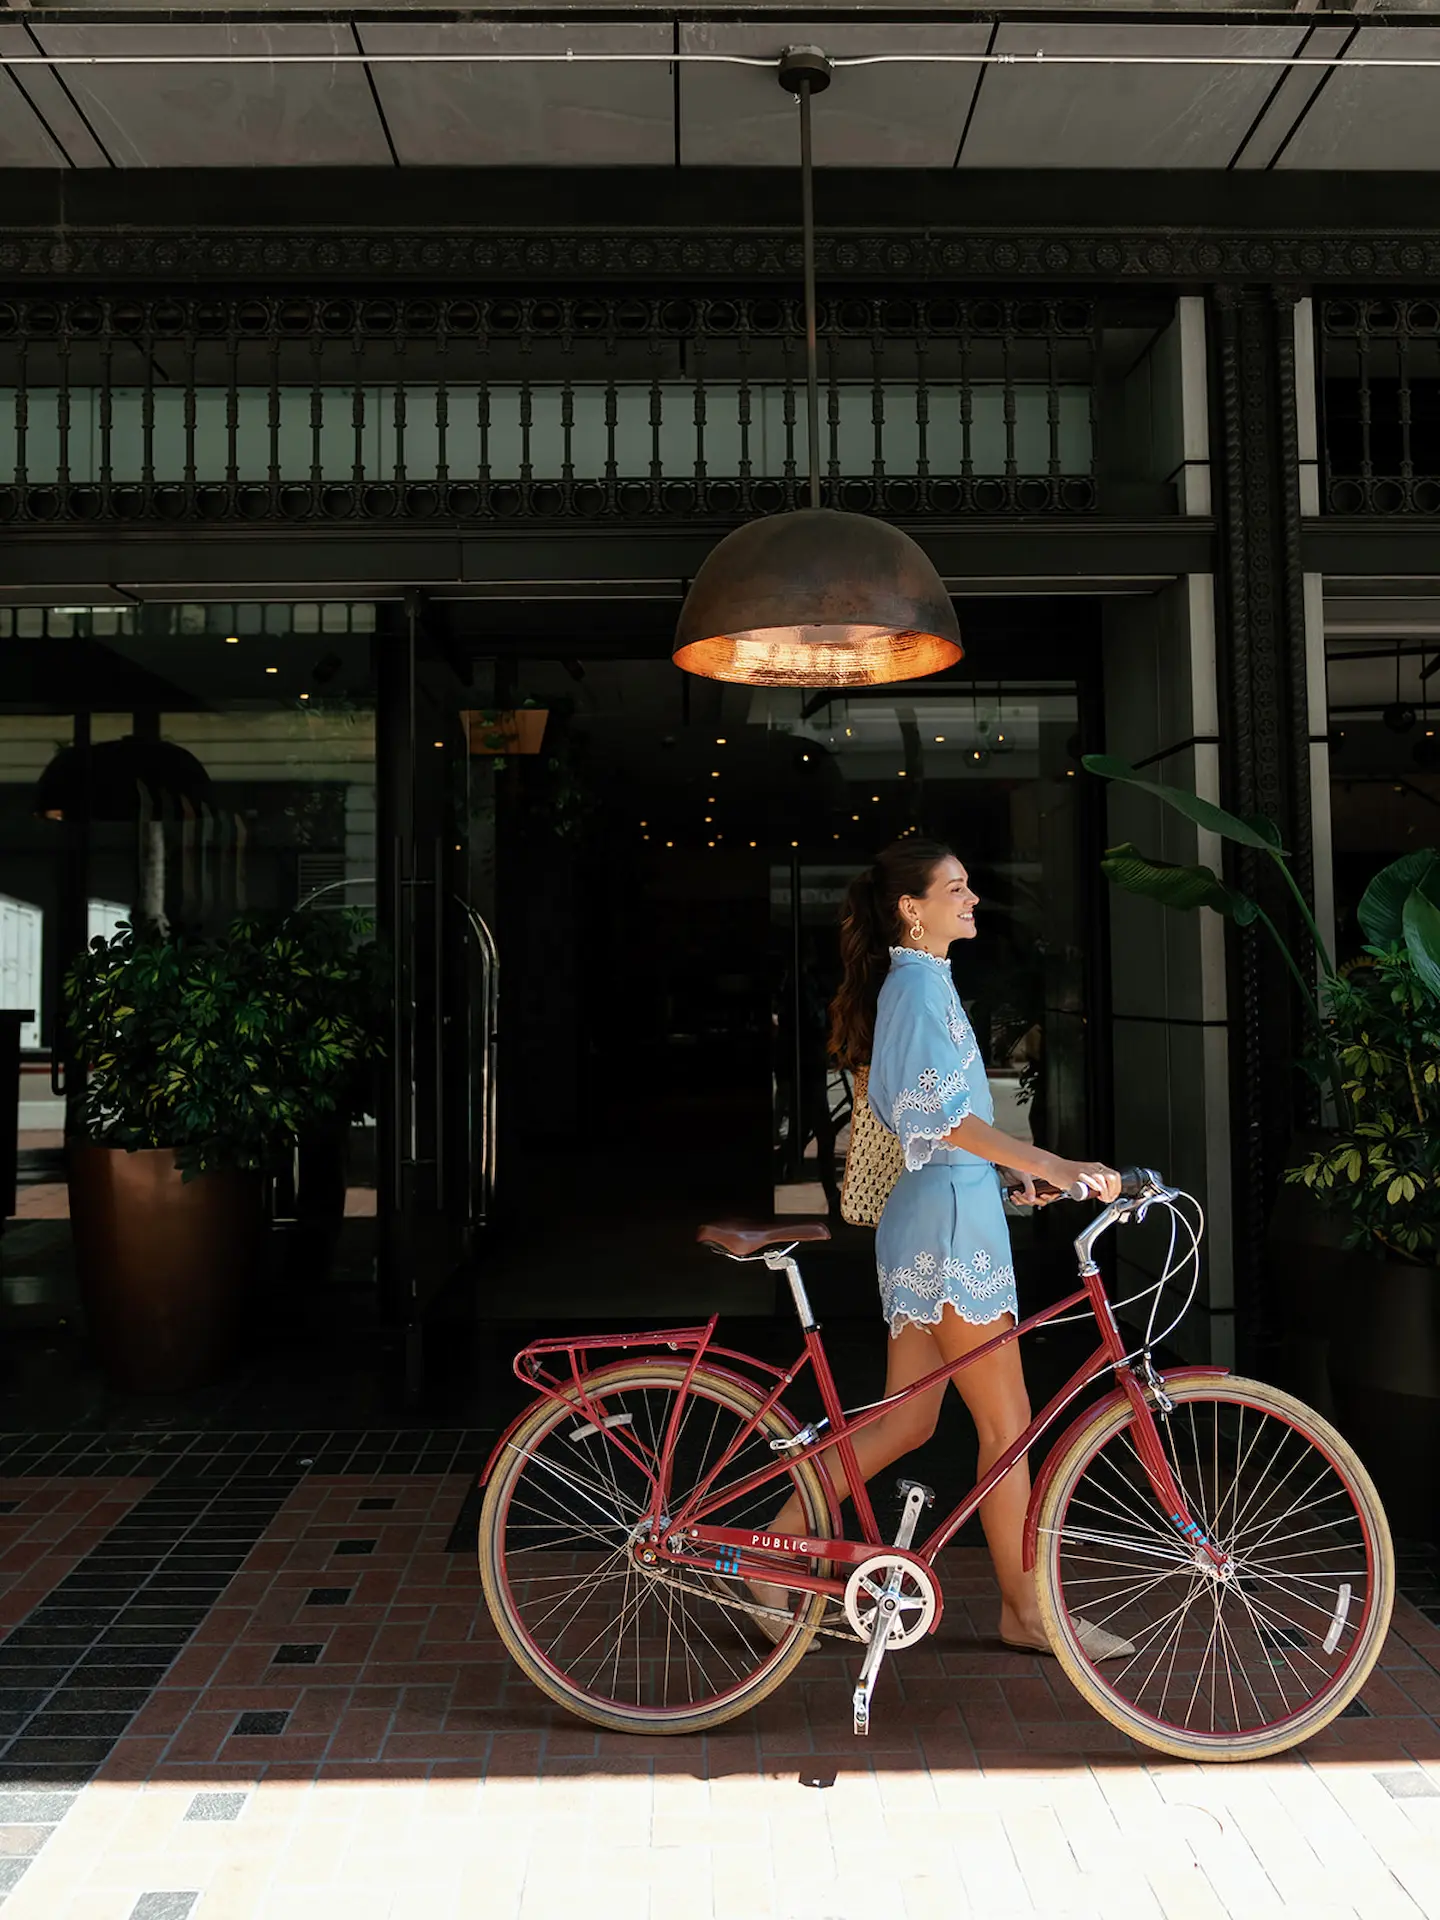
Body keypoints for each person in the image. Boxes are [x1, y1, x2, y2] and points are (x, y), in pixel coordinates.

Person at [752, 838, 1130, 1659]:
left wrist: (1011, 1181)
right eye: (954, 889)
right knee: (1009, 1425)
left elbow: (941, 1134)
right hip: (950, 1231)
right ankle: (1024, 1611)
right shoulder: (918, 988)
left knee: (906, 1422)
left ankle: (769, 1558)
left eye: (968, 886)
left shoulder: (922, 985)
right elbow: (940, 1120)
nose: (972, 900)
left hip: (947, 1212)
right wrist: (1054, 1164)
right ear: (910, 909)